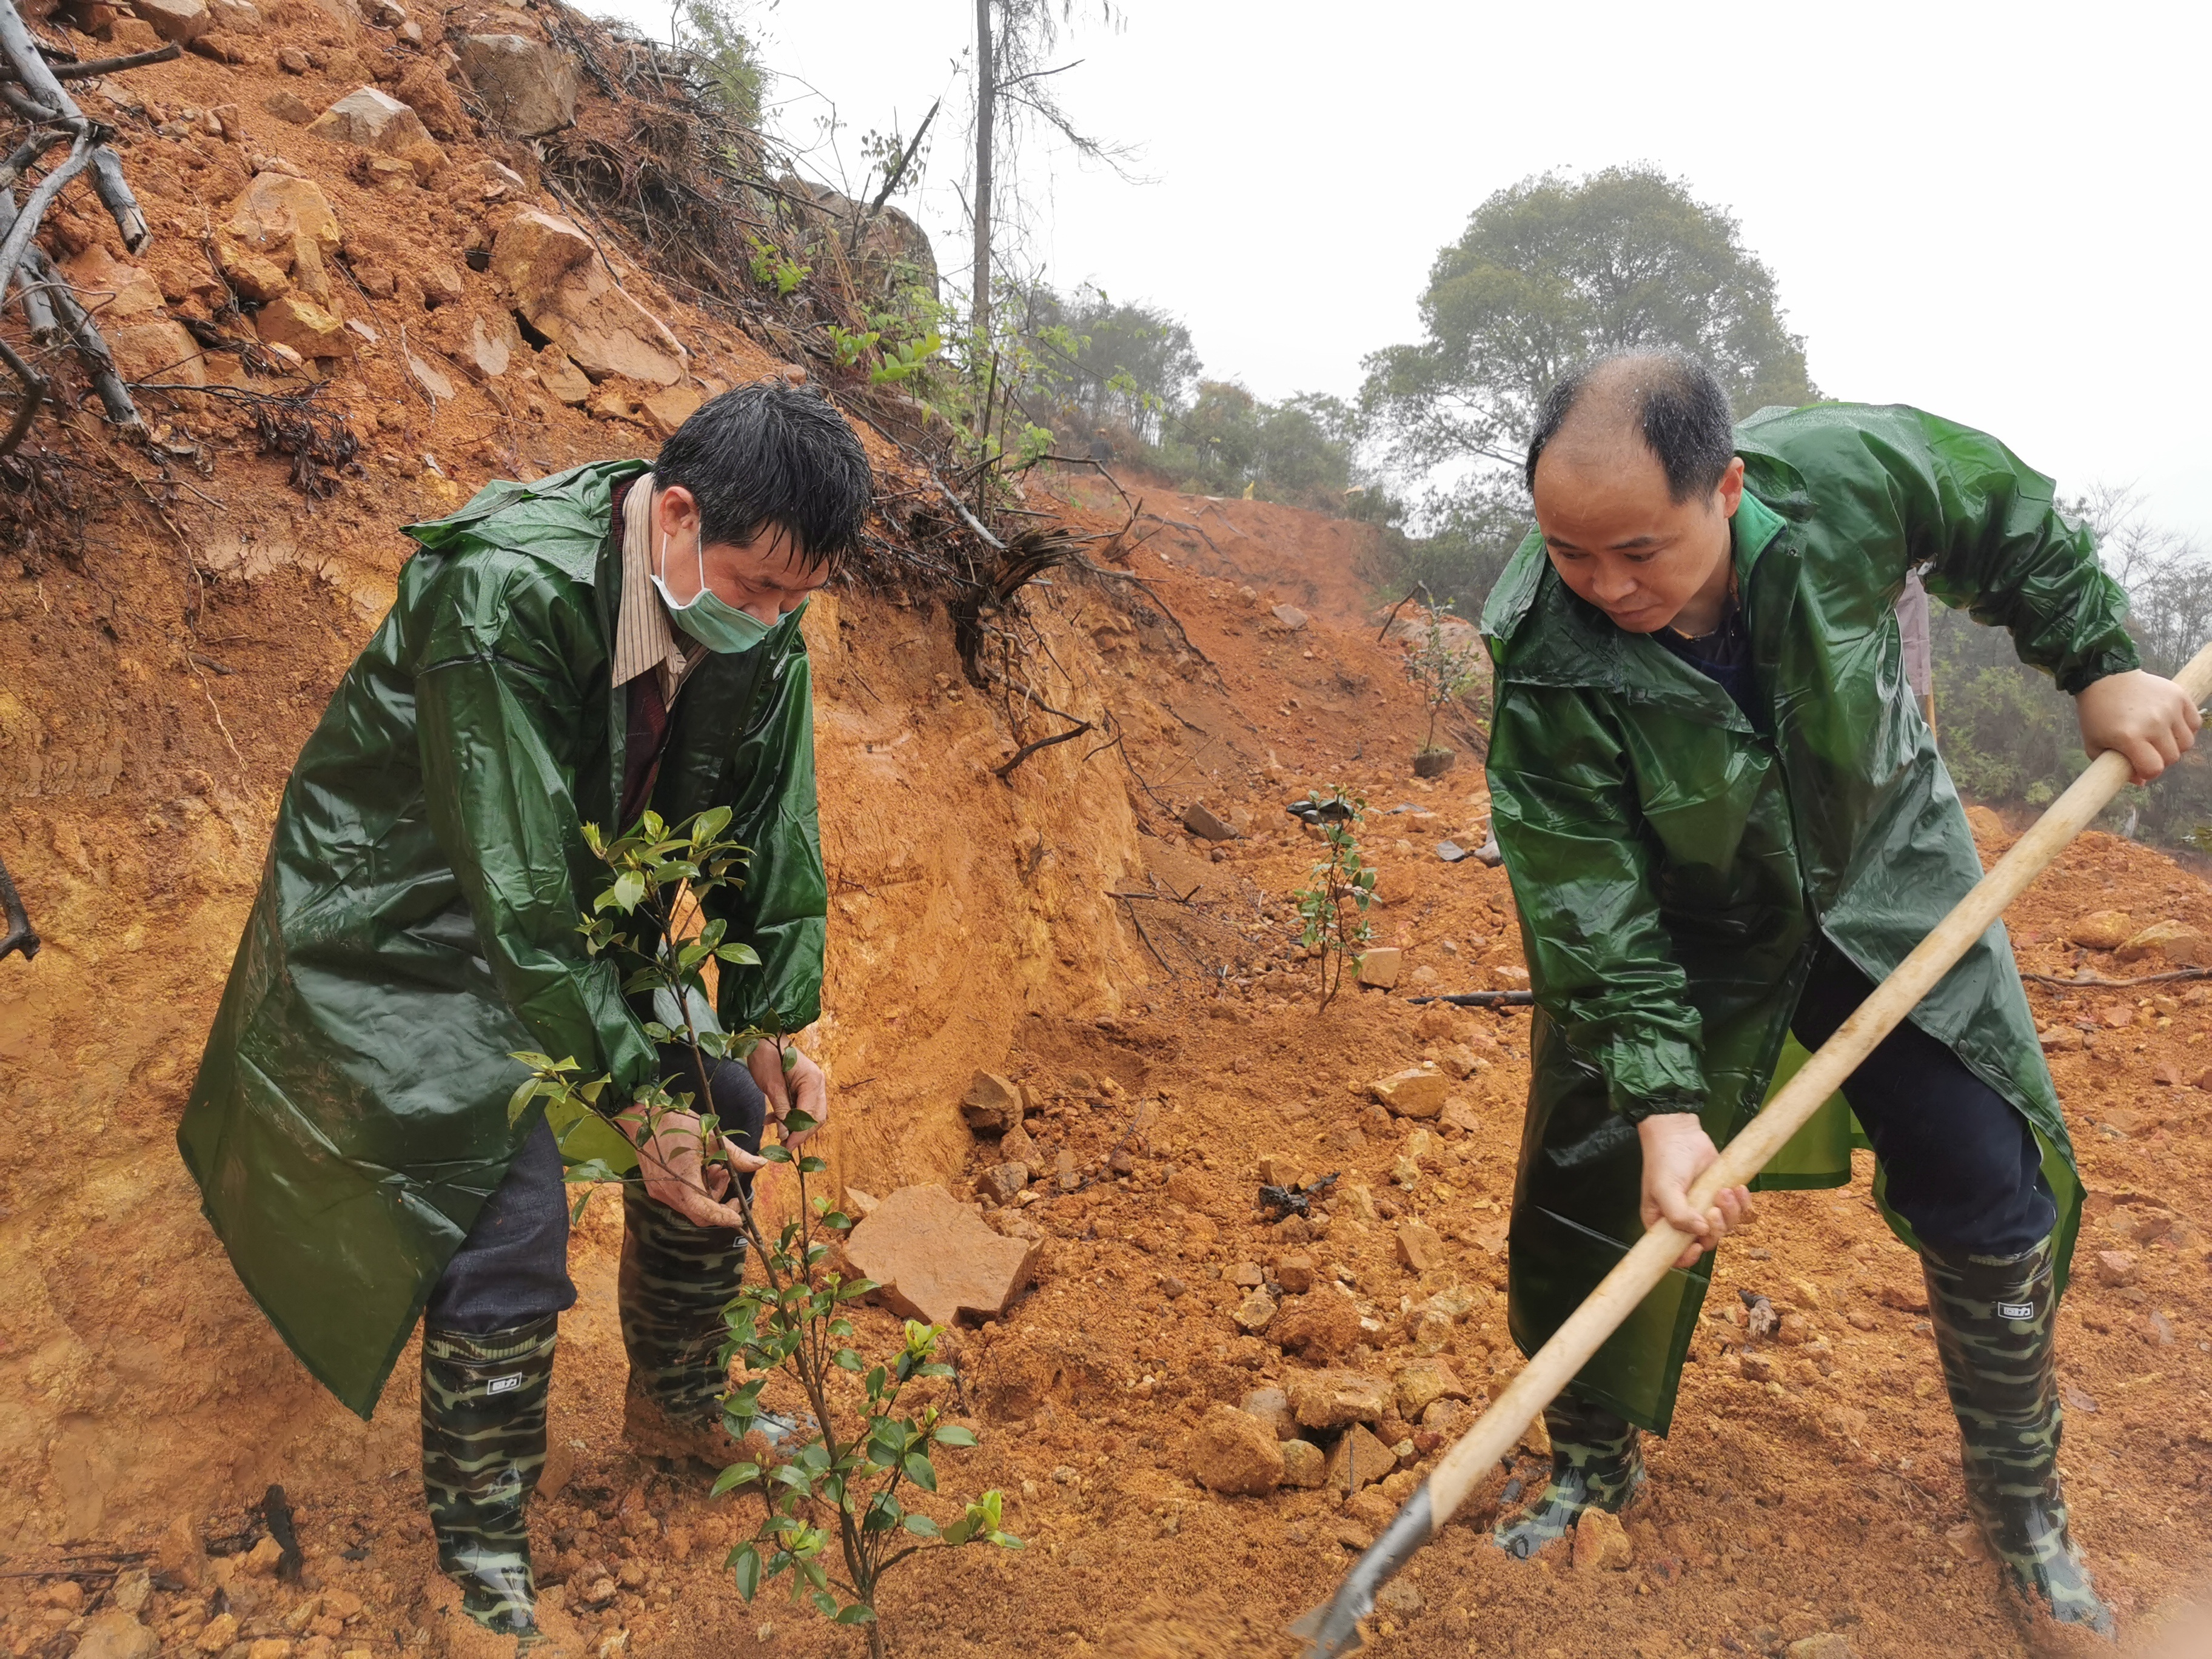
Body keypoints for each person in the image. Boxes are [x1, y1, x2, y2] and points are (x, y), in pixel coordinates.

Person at [1479, 352, 2199, 1637]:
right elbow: (1588, 892)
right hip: (1691, 938)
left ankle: (2024, 1510)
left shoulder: (1847, 474)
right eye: (1570, 553)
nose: (1604, 587)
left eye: (1638, 552)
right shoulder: (1545, 640)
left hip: (1889, 887)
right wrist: (1661, 1104)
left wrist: (2097, 665)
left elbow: (2005, 518)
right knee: (1600, 1186)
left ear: (1730, 487)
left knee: (1987, 1178)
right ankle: (1591, 1461)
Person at [179, 381, 873, 1647]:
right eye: (760, 589)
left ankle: (676, 1408)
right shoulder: (500, 588)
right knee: (505, 1200)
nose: (773, 622)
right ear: (673, 518)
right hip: (403, 927)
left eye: (797, 600)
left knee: (721, 1107)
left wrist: (772, 1019)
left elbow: (773, 821)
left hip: (564, 926)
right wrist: (624, 1095)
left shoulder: (754, 619)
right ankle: (482, 1536)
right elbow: (510, 881)